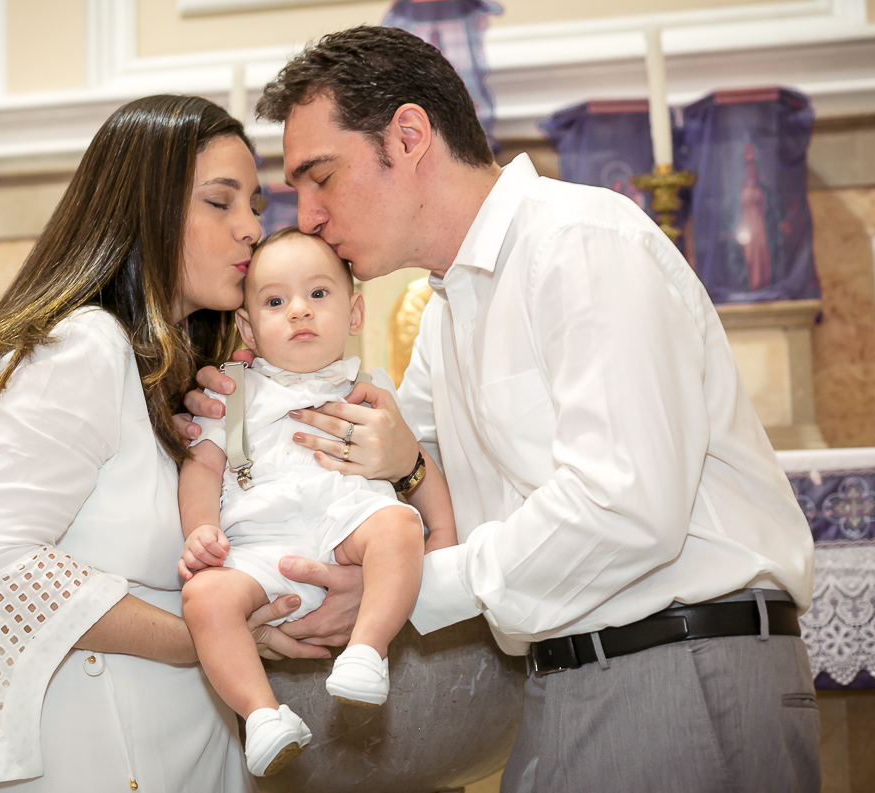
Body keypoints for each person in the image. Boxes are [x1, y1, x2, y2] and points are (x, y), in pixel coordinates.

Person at [185, 26, 820, 793]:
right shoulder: (448, 310)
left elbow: (624, 503)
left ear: (409, 136)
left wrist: (409, 588)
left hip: (676, 661)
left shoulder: (579, 242)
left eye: (321, 177)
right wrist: (244, 420)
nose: (309, 215)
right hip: (564, 673)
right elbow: (388, 479)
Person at [0, 95, 322, 793]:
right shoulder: (83, 344)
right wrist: (208, 639)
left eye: (254, 205)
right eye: (220, 202)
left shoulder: (168, 370)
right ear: (143, 209)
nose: (252, 228)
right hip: (89, 751)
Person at [178, 227, 456, 776]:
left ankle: (366, 653)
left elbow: (415, 462)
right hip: (261, 548)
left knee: (398, 525)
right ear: (247, 328)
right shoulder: (230, 395)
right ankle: (262, 716)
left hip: (347, 528)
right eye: (275, 302)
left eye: (319, 294)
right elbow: (202, 467)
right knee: (205, 597)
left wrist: (442, 531)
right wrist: (200, 529)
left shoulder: (369, 390)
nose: (299, 311)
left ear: (354, 314)